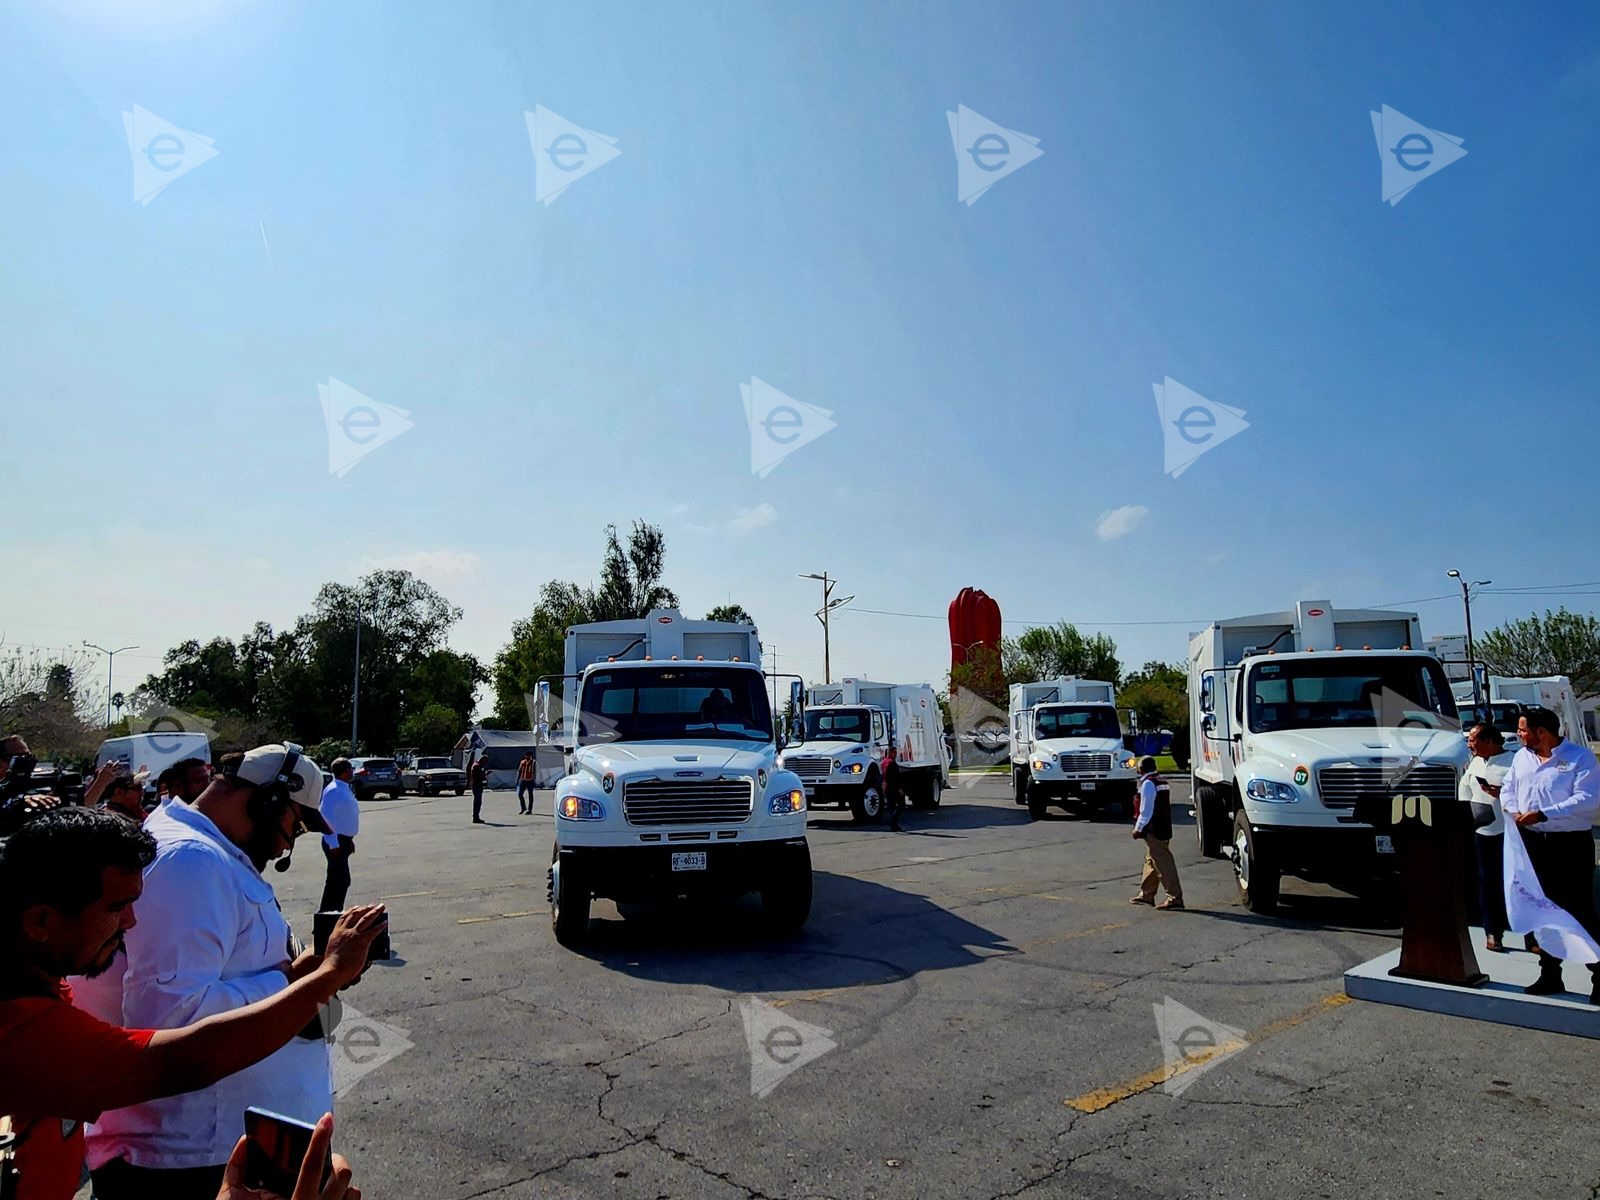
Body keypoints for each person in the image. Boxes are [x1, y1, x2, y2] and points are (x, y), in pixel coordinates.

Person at [0, 806, 385, 1200]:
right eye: (116, 908)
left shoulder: (42, 984)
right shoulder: (21, 1030)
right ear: (41, 923)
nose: (132, 922)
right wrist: (330, 973)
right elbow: (187, 1058)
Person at [84, 743, 357, 1198]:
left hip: (227, 1145)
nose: (291, 840)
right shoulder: (191, 861)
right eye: (296, 822)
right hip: (194, 1158)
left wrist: (304, 975)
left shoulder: (211, 853)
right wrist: (299, 980)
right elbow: (168, 1017)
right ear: (268, 799)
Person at [1500, 706, 1600, 1000]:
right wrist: (1512, 808)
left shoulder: (1580, 758)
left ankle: (1599, 975)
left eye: (1522, 729)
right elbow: (1509, 787)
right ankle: (1550, 974)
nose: (1518, 734)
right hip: (1532, 844)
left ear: (1541, 732)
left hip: (1569, 845)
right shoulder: (1521, 757)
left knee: (1579, 909)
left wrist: (1543, 814)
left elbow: (1587, 799)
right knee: (1540, 909)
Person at [1460, 723, 1516, 951]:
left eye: (1473, 741)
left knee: (1516, 884)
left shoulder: (1514, 762)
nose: (1469, 745)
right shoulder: (1475, 762)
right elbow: (1466, 790)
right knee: (1488, 883)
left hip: (1512, 833)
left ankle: (1531, 936)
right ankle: (1493, 931)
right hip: (1483, 833)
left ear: (1490, 742)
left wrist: (1501, 793)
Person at [1130, 756, 1184, 911]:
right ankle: (1146, 894)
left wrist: (1138, 828)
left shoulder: (1148, 784)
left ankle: (1175, 897)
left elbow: (1146, 810)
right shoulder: (1161, 781)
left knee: (1163, 864)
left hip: (1154, 830)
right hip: (1163, 828)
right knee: (1151, 861)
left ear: (1142, 769)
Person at [319, 759, 360, 913]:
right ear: (345, 771)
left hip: (343, 840)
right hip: (336, 841)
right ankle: (328, 915)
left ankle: (330, 914)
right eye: (350, 769)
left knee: (338, 880)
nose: (352, 772)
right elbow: (325, 817)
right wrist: (333, 844)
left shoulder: (343, 788)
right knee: (339, 881)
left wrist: (349, 839)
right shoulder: (334, 790)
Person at [468, 754, 488, 824]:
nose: (485, 763)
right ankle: (476, 817)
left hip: (477, 785)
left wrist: (485, 774)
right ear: (482, 760)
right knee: (477, 802)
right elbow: (477, 776)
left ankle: (476, 816)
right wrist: (484, 775)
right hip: (477, 785)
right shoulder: (477, 766)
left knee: (478, 801)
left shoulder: (477, 765)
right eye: (485, 761)